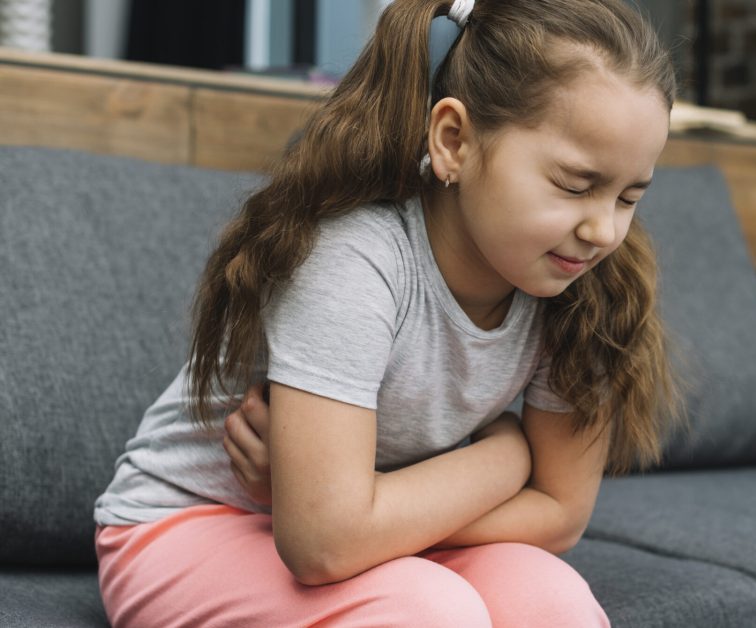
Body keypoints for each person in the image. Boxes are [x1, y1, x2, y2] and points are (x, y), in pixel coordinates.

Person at [90, 0, 689, 625]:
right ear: (453, 141)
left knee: (550, 601)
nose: (603, 230)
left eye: (629, 197)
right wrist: (504, 458)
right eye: (574, 184)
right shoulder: (354, 260)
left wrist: (361, 518)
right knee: (430, 613)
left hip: (355, 524)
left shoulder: (585, 292)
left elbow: (560, 513)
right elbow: (322, 545)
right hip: (191, 525)